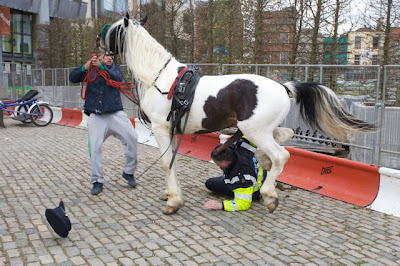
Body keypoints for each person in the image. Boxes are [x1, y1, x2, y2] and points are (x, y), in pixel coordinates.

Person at [69, 48, 138, 195]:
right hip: (96, 115)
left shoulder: (116, 68)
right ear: (99, 56)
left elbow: (117, 78)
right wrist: (84, 67)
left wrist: (101, 68)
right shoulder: (89, 69)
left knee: (132, 138)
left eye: (112, 55)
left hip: (115, 113)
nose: (111, 57)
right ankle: (97, 181)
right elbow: (72, 77)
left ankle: (129, 171)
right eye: (107, 55)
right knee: (95, 148)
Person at [203, 137, 265, 212]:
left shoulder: (241, 177)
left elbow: (243, 203)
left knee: (210, 183)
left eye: (217, 164)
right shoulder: (241, 144)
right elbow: (249, 135)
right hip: (262, 174)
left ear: (224, 162)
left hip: (253, 189)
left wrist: (220, 205)